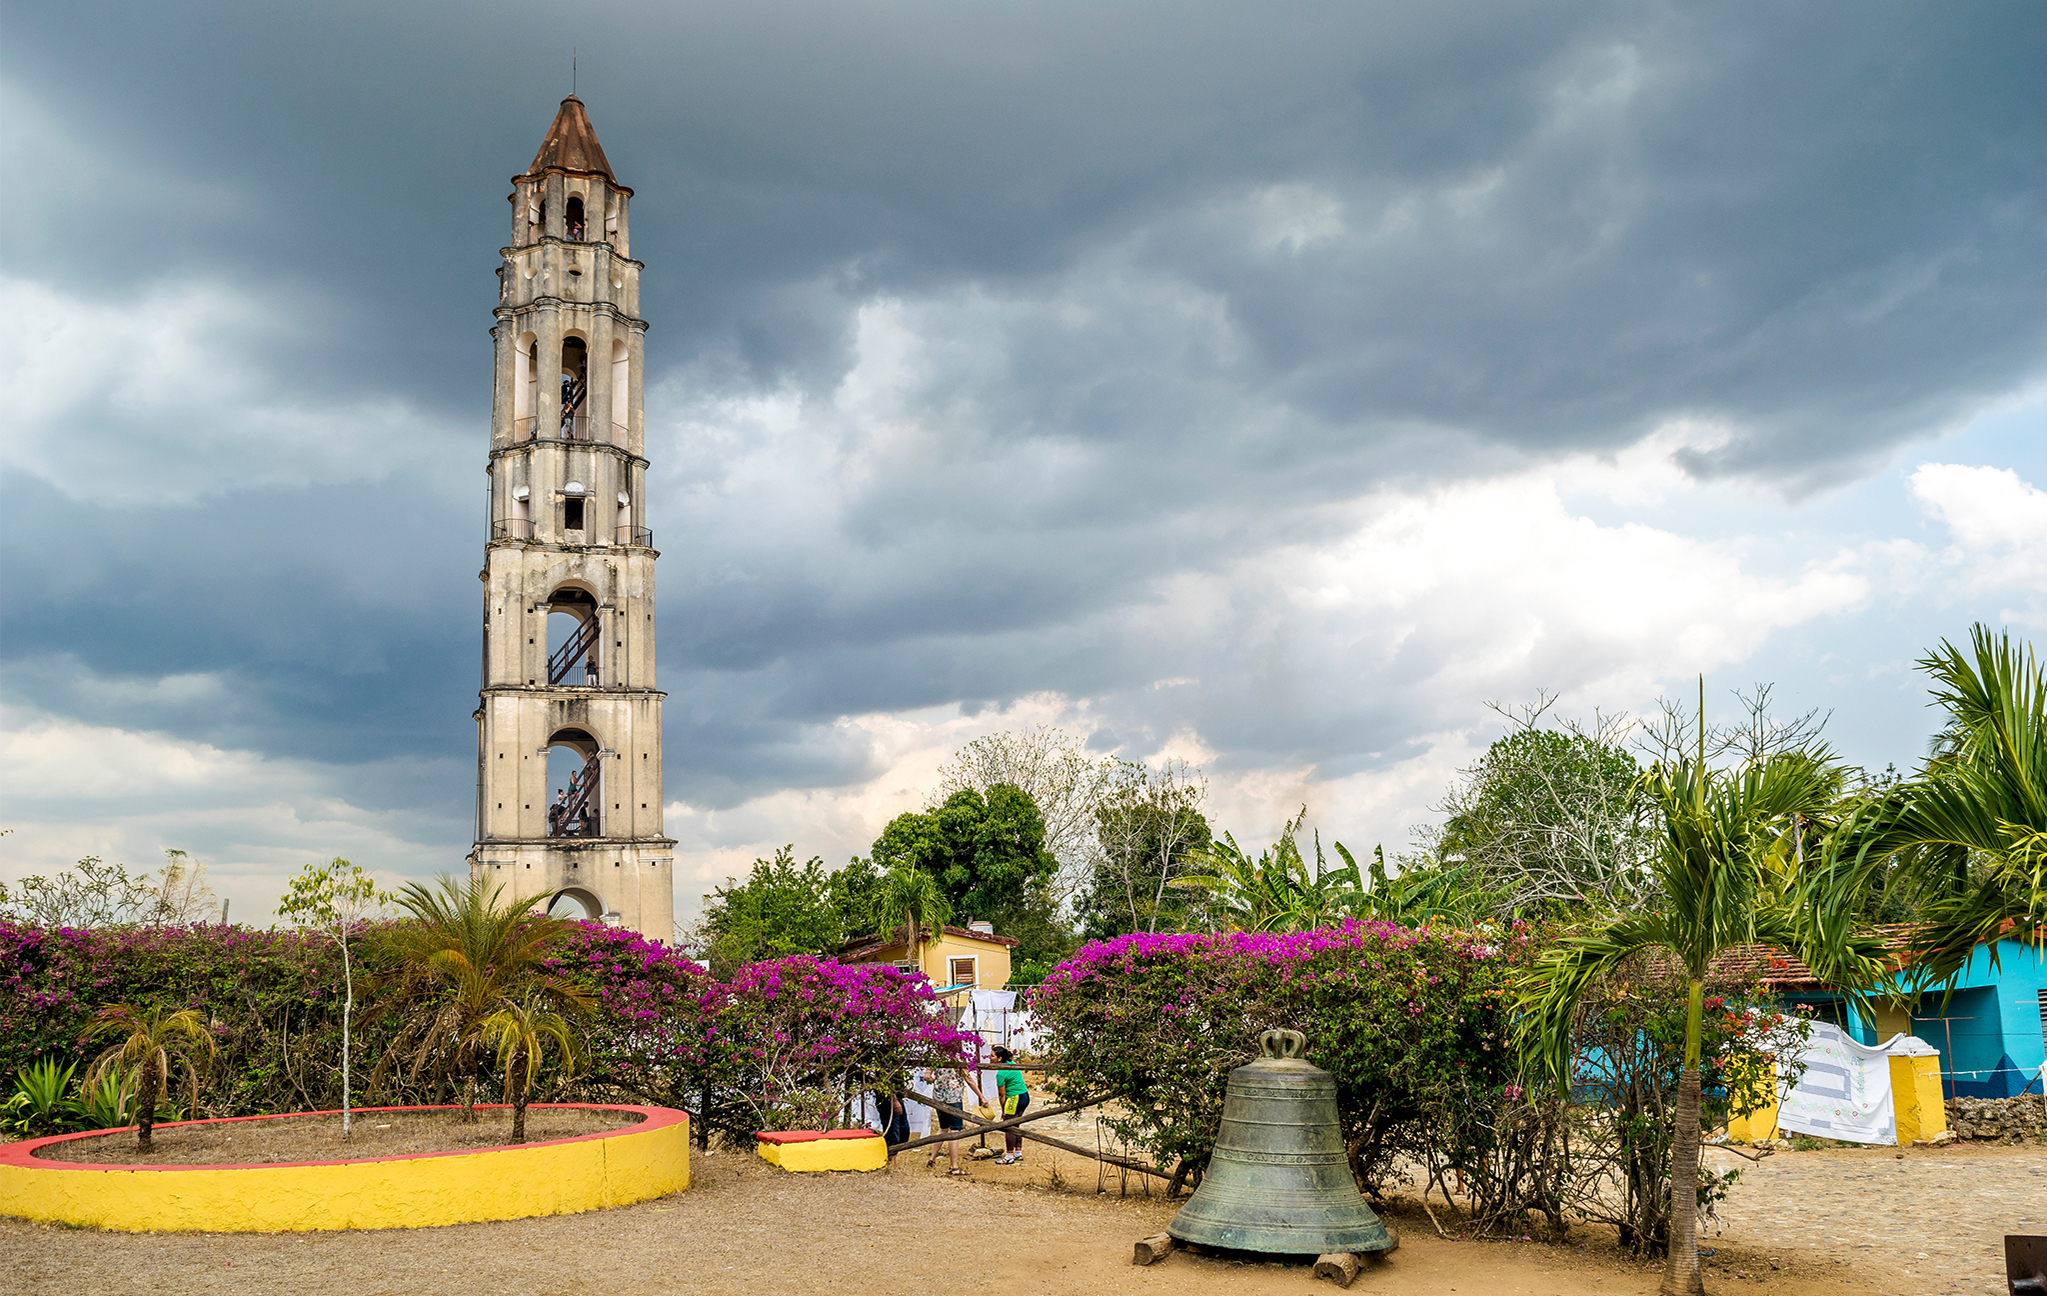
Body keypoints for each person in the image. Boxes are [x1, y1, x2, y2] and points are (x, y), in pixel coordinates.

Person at [923, 1062, 988, 1177]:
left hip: (938, 1097)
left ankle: (932, 1159)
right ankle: (954, 1167)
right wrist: (981, 1097)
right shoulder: (958, 1058)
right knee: (954, 1131)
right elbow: (968, 1079)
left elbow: (927, 1076)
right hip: (954, 1098)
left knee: (943, 1128)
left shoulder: (937, 1057)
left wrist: (937, 1082)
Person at [992, 1046, 1028, 1164]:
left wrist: (1003, 1110)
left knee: (1008, 1127)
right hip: (1024, 1096)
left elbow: (1002, 1095)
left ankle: (1009, 1156)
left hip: (1014, 1098)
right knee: (1016, 1125)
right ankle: (1018, 1152)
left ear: (999, 1058)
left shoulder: (1001, 1074)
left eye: (992, 1056)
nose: (989, 1058)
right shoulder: (1012, 1063)